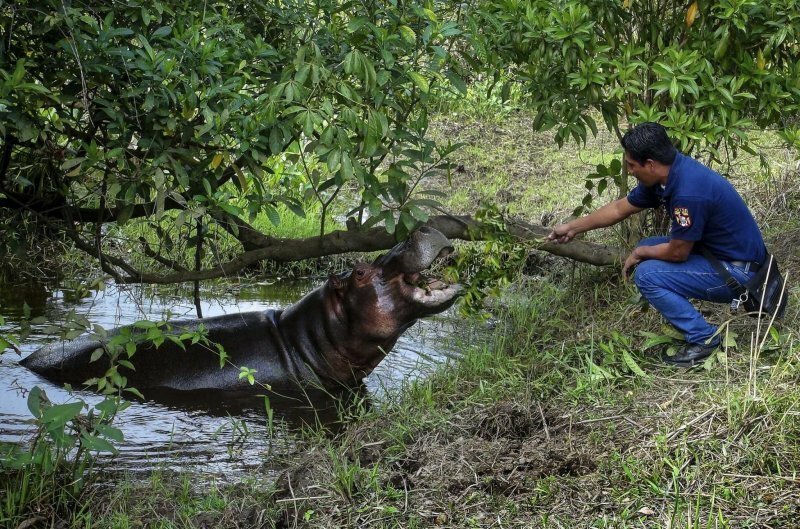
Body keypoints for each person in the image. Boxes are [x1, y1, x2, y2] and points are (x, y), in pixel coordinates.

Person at [548, 122, 767, 367]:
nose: (629, 171)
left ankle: (704, 339)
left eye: (631, 165)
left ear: (650, 164)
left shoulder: (688, 193)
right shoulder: (669, 174)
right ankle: (690, 321)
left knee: (647, 274)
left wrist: (640, 252)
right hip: (725, 256)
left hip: (741, 273)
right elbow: (621, 208)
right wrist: (573, 228)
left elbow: (677, 253)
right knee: (650, 246)